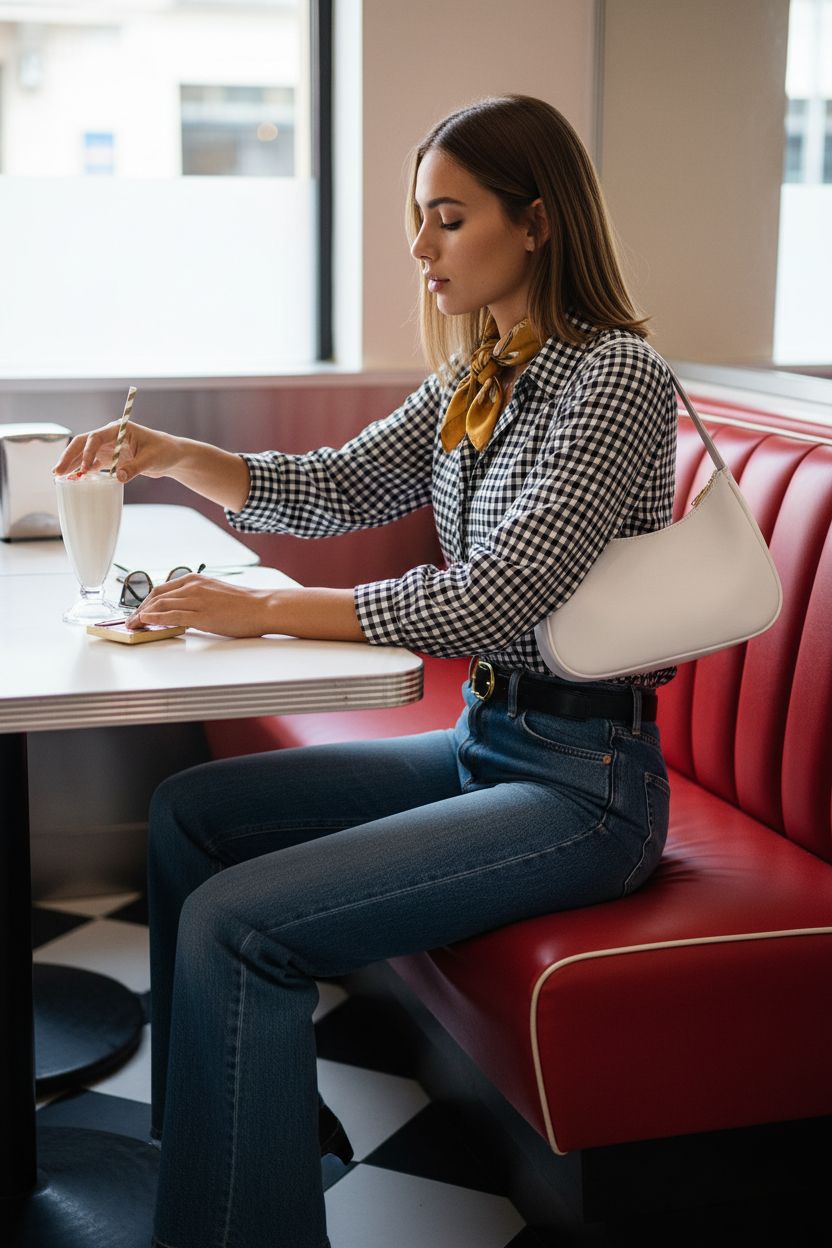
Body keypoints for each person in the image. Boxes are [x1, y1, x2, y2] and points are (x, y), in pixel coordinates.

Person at [55, 94, 677, 1248]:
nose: (419, 246)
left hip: (586, 787)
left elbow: (499, 593)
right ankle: (239, 1155)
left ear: (534, 223)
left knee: (243, 924)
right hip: (491, 745)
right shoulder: (482, 372)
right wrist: (173, 455)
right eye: (416, 217)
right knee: (191, 815)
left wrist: (269, 611)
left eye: (447, 218)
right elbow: (339, 486)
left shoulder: (615, 378)